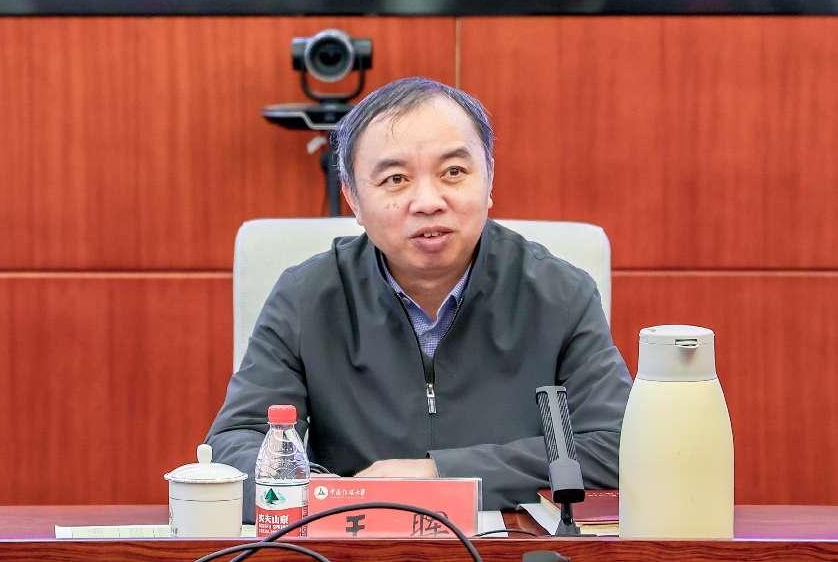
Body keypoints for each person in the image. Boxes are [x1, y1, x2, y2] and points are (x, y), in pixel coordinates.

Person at [206, 77, 632, 522]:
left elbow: (620, 448)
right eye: (396, 179)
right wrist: (337, 496)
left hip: (512, 546)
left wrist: (439, 475)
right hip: (354, 541)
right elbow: (234, 445)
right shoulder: (306, 298)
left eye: (453, 172)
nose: (428, 202)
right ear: (353, 199)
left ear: (489, 179)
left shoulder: (559, 293)